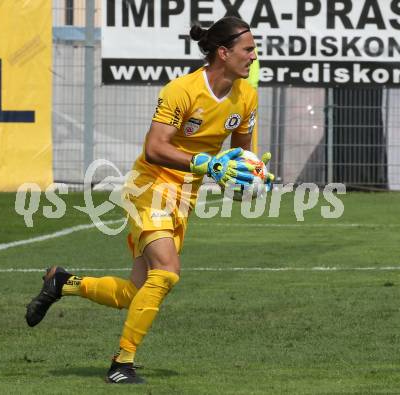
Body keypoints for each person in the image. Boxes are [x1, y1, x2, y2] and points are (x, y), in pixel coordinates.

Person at [26, 16, 263, 384]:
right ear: (223, 52)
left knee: (134, 293)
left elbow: (243, 154)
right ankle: (122, 363)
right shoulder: (181, 91)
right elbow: (155, 148)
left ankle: (63, 283)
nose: (253, 55)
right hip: (149, 187)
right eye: (247, 49)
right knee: (167, 272)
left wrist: (252, 179)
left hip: (184, 197)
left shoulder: (246, 96)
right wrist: (205, 162)